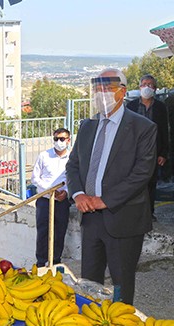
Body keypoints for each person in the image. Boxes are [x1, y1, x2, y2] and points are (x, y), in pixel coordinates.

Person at [66, 68, 157, 305]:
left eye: (107, 88)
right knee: (89, 283)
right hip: (90, 217)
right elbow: (73, 165)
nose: (100, 94)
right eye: (97, 89)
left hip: (123, 217)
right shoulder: (87, 126)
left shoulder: (143, 127)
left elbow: (142, 173)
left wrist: (104, 200)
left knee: (121, 284)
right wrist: (78, 195)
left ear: (122, 92)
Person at [126, 74, 169, 221]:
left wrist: (164, 153)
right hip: (134, 151)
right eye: (144, 84)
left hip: (153, 150)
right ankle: (133, 212)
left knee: (151, 183)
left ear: (155, 89)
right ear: (139, 87)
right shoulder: (131, 106)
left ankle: (148, 213)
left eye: (150, 85)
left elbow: (164, 131)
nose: (147, 87)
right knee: (134, 182)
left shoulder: (160, 108)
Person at [31, 128, 72, 267]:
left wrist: (65, 192)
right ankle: (41, 262)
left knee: (59, 231)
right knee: (43, 231)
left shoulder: (72, 158)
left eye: (62, 139)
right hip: (45, 199)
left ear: (68, 140)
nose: (59, 142)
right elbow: (35, 178)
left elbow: (74, 178)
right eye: (56, 139)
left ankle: (55, 261)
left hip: (62, 201)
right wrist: (48, 191)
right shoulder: (44, 156)